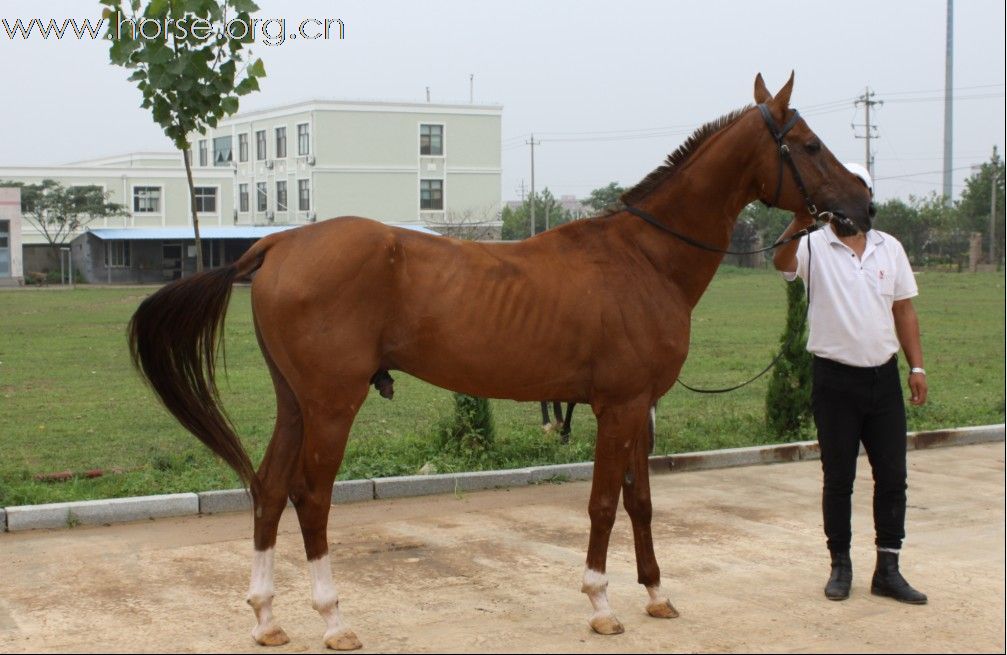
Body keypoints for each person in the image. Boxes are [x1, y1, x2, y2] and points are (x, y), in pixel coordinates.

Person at [772, 162, 928, 605]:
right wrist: (802, 220)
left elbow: (904, 310)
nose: (848, 203)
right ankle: (840, 565)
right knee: (839, 478)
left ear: (868, 200)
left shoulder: (889, 248)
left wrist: (916, 367)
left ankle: (889, 568)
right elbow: (781, 262)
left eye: (857, 193)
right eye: (841, 194)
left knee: (893, 477)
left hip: (884, 379)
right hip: (835, 380)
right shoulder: (814, 246)